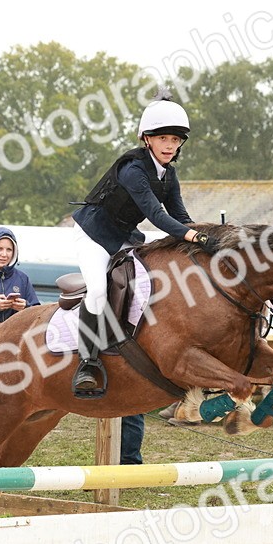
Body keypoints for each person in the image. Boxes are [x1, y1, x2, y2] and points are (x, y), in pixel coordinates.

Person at [69, 91, 204, 397]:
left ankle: (128, 345)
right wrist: (192, 236)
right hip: (93, 234)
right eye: (163, 139)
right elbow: (156, 215)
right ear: (147, 139)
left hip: (123, 237)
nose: (170, 145)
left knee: (143, 285)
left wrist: (208, 237)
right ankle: (87, 363)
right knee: (100, 289)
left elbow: (181, 216)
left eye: (175, 139)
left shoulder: (169, 176)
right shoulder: (133, 170)